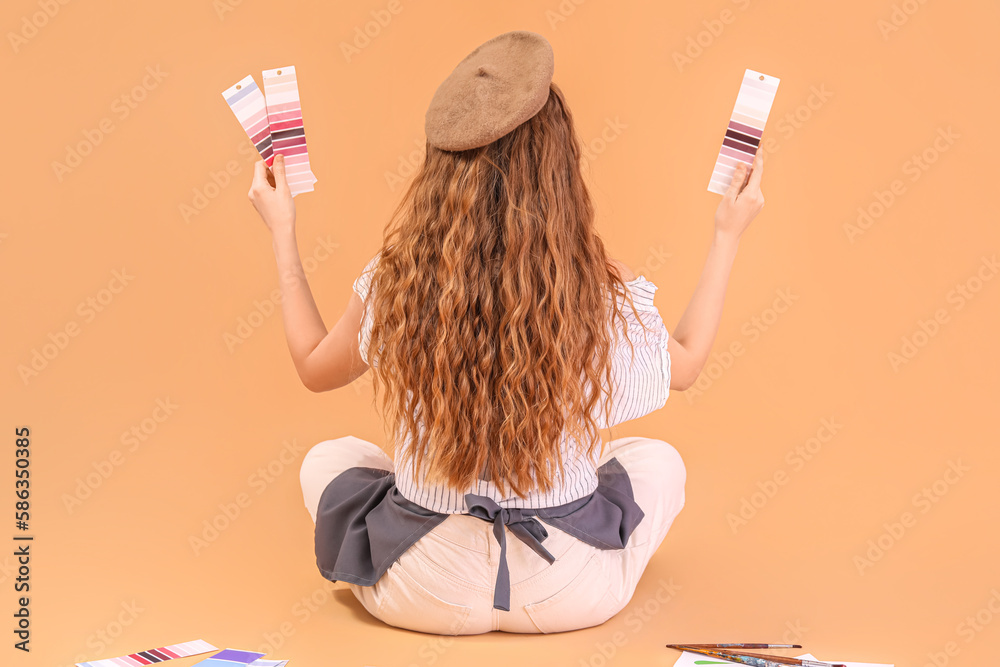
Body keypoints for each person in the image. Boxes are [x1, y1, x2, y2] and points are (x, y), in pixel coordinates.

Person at [246, 30, 765, 635]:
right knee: (657, 460)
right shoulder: (599, 287)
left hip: (420, 589)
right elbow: (688, 364)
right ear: (558, 165)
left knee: (328, 459)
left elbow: (313, 367)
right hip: (569, 592)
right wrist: (728, 233)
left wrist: (282, 229)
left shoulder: (397, 282)